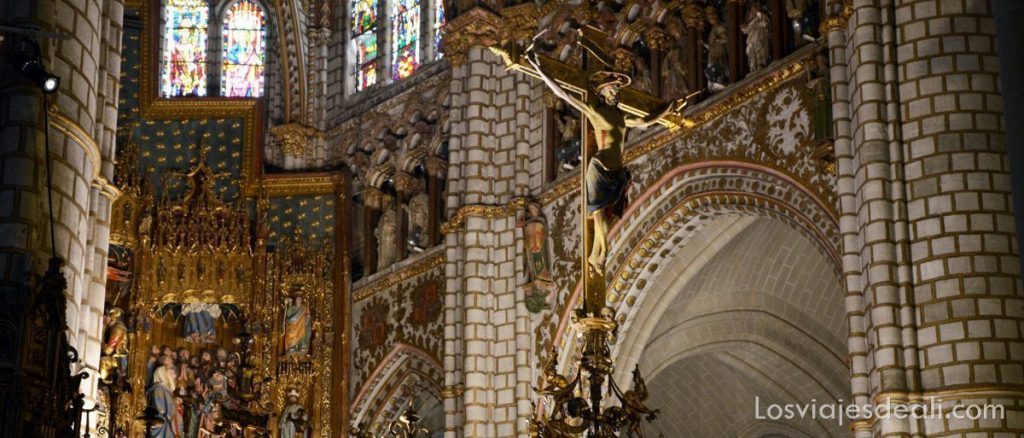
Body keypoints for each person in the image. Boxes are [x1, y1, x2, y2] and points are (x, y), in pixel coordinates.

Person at [525, 30, 689, 275]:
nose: (616, 92)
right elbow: (563, 94)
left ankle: (595, 255)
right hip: (600, 168)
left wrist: (668, 110)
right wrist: (538, 67)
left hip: (618, 171)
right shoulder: (595, 111)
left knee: (608, 217)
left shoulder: (620, 114)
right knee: (599, 216)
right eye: (612, 89)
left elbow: (645, 121)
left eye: (616, 89)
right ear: (601, 91)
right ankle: (602, 254)